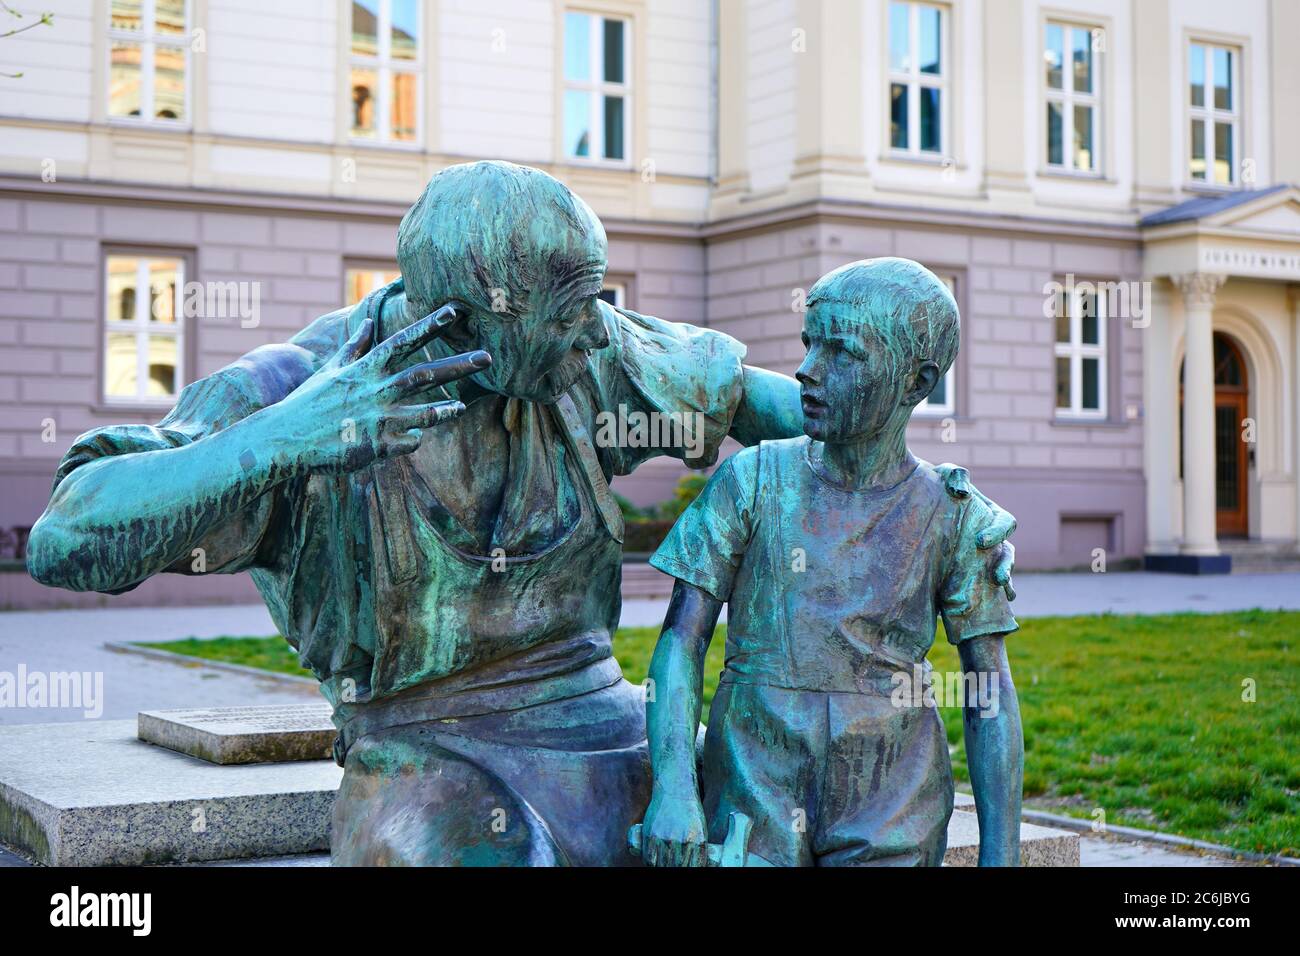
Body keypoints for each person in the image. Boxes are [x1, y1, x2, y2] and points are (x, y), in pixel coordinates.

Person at [27, 165, 1016, 865]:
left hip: (606, 724)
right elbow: (67, 536)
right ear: (471, 320)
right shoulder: (301, 391)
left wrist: (921, 489)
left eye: (598, 301)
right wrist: (281, 438)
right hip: (422, 742)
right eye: (573, 309)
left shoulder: (586, 353)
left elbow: (776, 405)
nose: (598, 326)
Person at [640, 257, 1023, 867]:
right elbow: (681, 642)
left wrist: (1000, 857)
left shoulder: (956, 516)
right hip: (753, 781)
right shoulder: (751, 480)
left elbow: (990, 694)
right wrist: (676, 787)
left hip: (893, 798)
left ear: (916, 381)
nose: (806, 370)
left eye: (842, 352)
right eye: (809, 344)